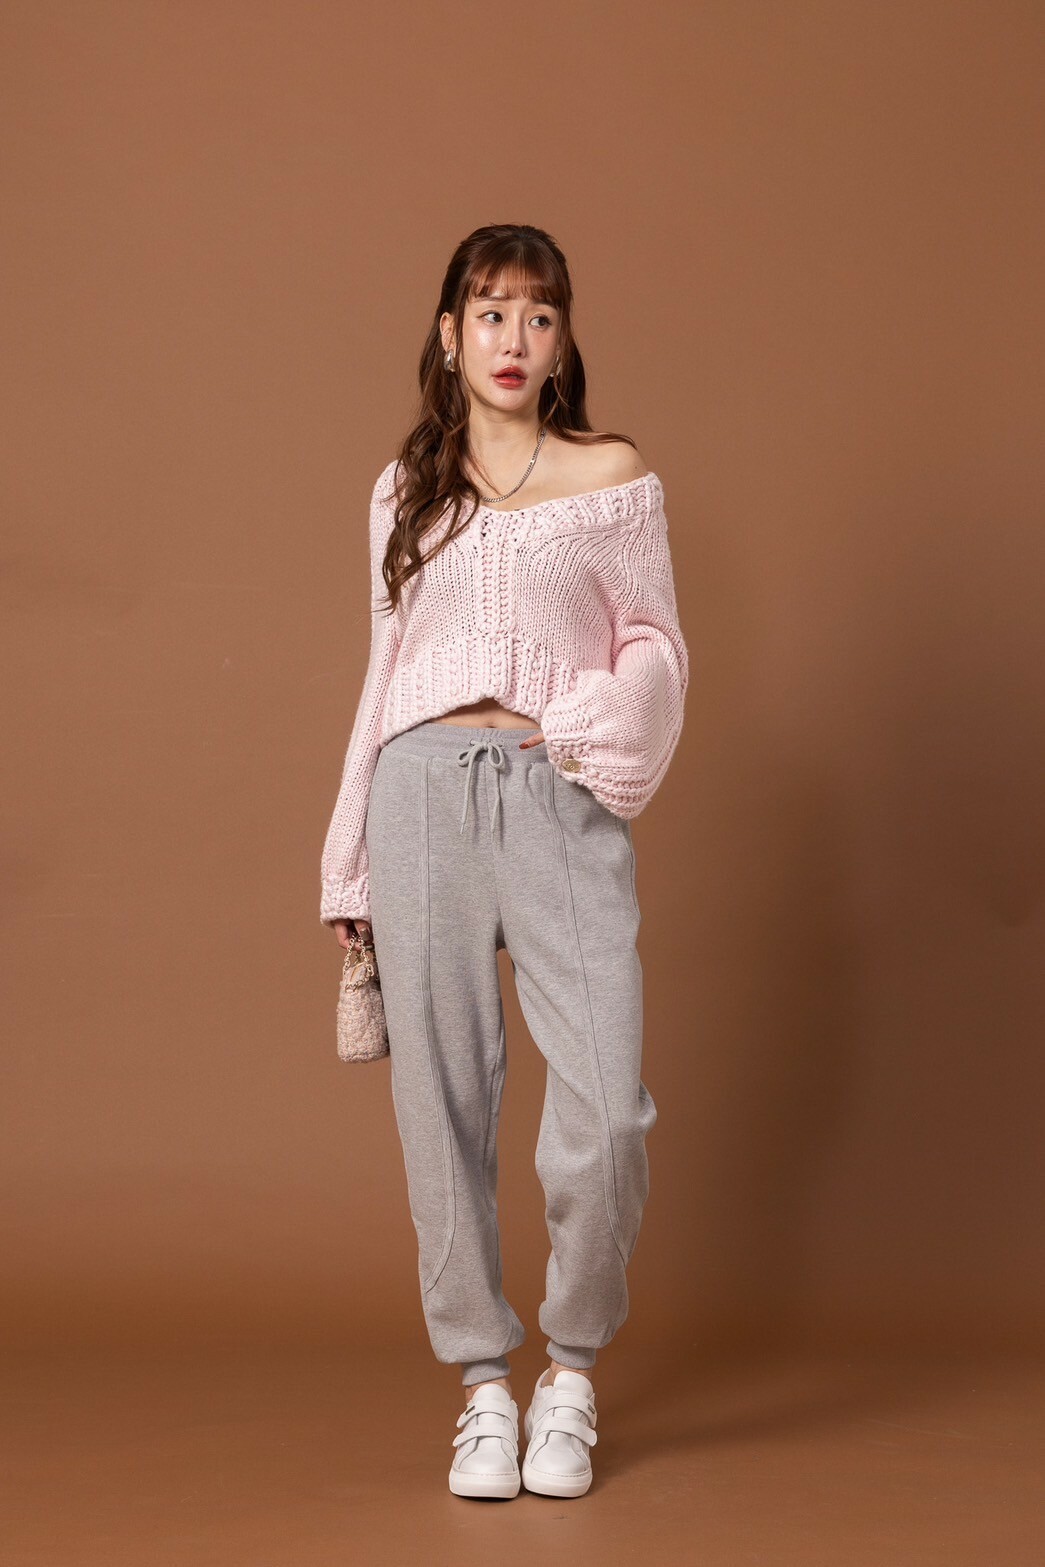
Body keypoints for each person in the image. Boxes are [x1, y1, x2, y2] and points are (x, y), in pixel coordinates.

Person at [319, 223, 688, 1500]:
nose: (513, 339)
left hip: (555, 795)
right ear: (449, 335)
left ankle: (569, 1372)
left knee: (606, 1109)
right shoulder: (402, 491)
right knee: (443, 1105)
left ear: (564, 336)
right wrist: (347, 861)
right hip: (420, 795)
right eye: (489, 313)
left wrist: (588, 720)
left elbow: (655, 646)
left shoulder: (612, 476)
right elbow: (383, 676)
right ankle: (483, 1387)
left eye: (537, 314)